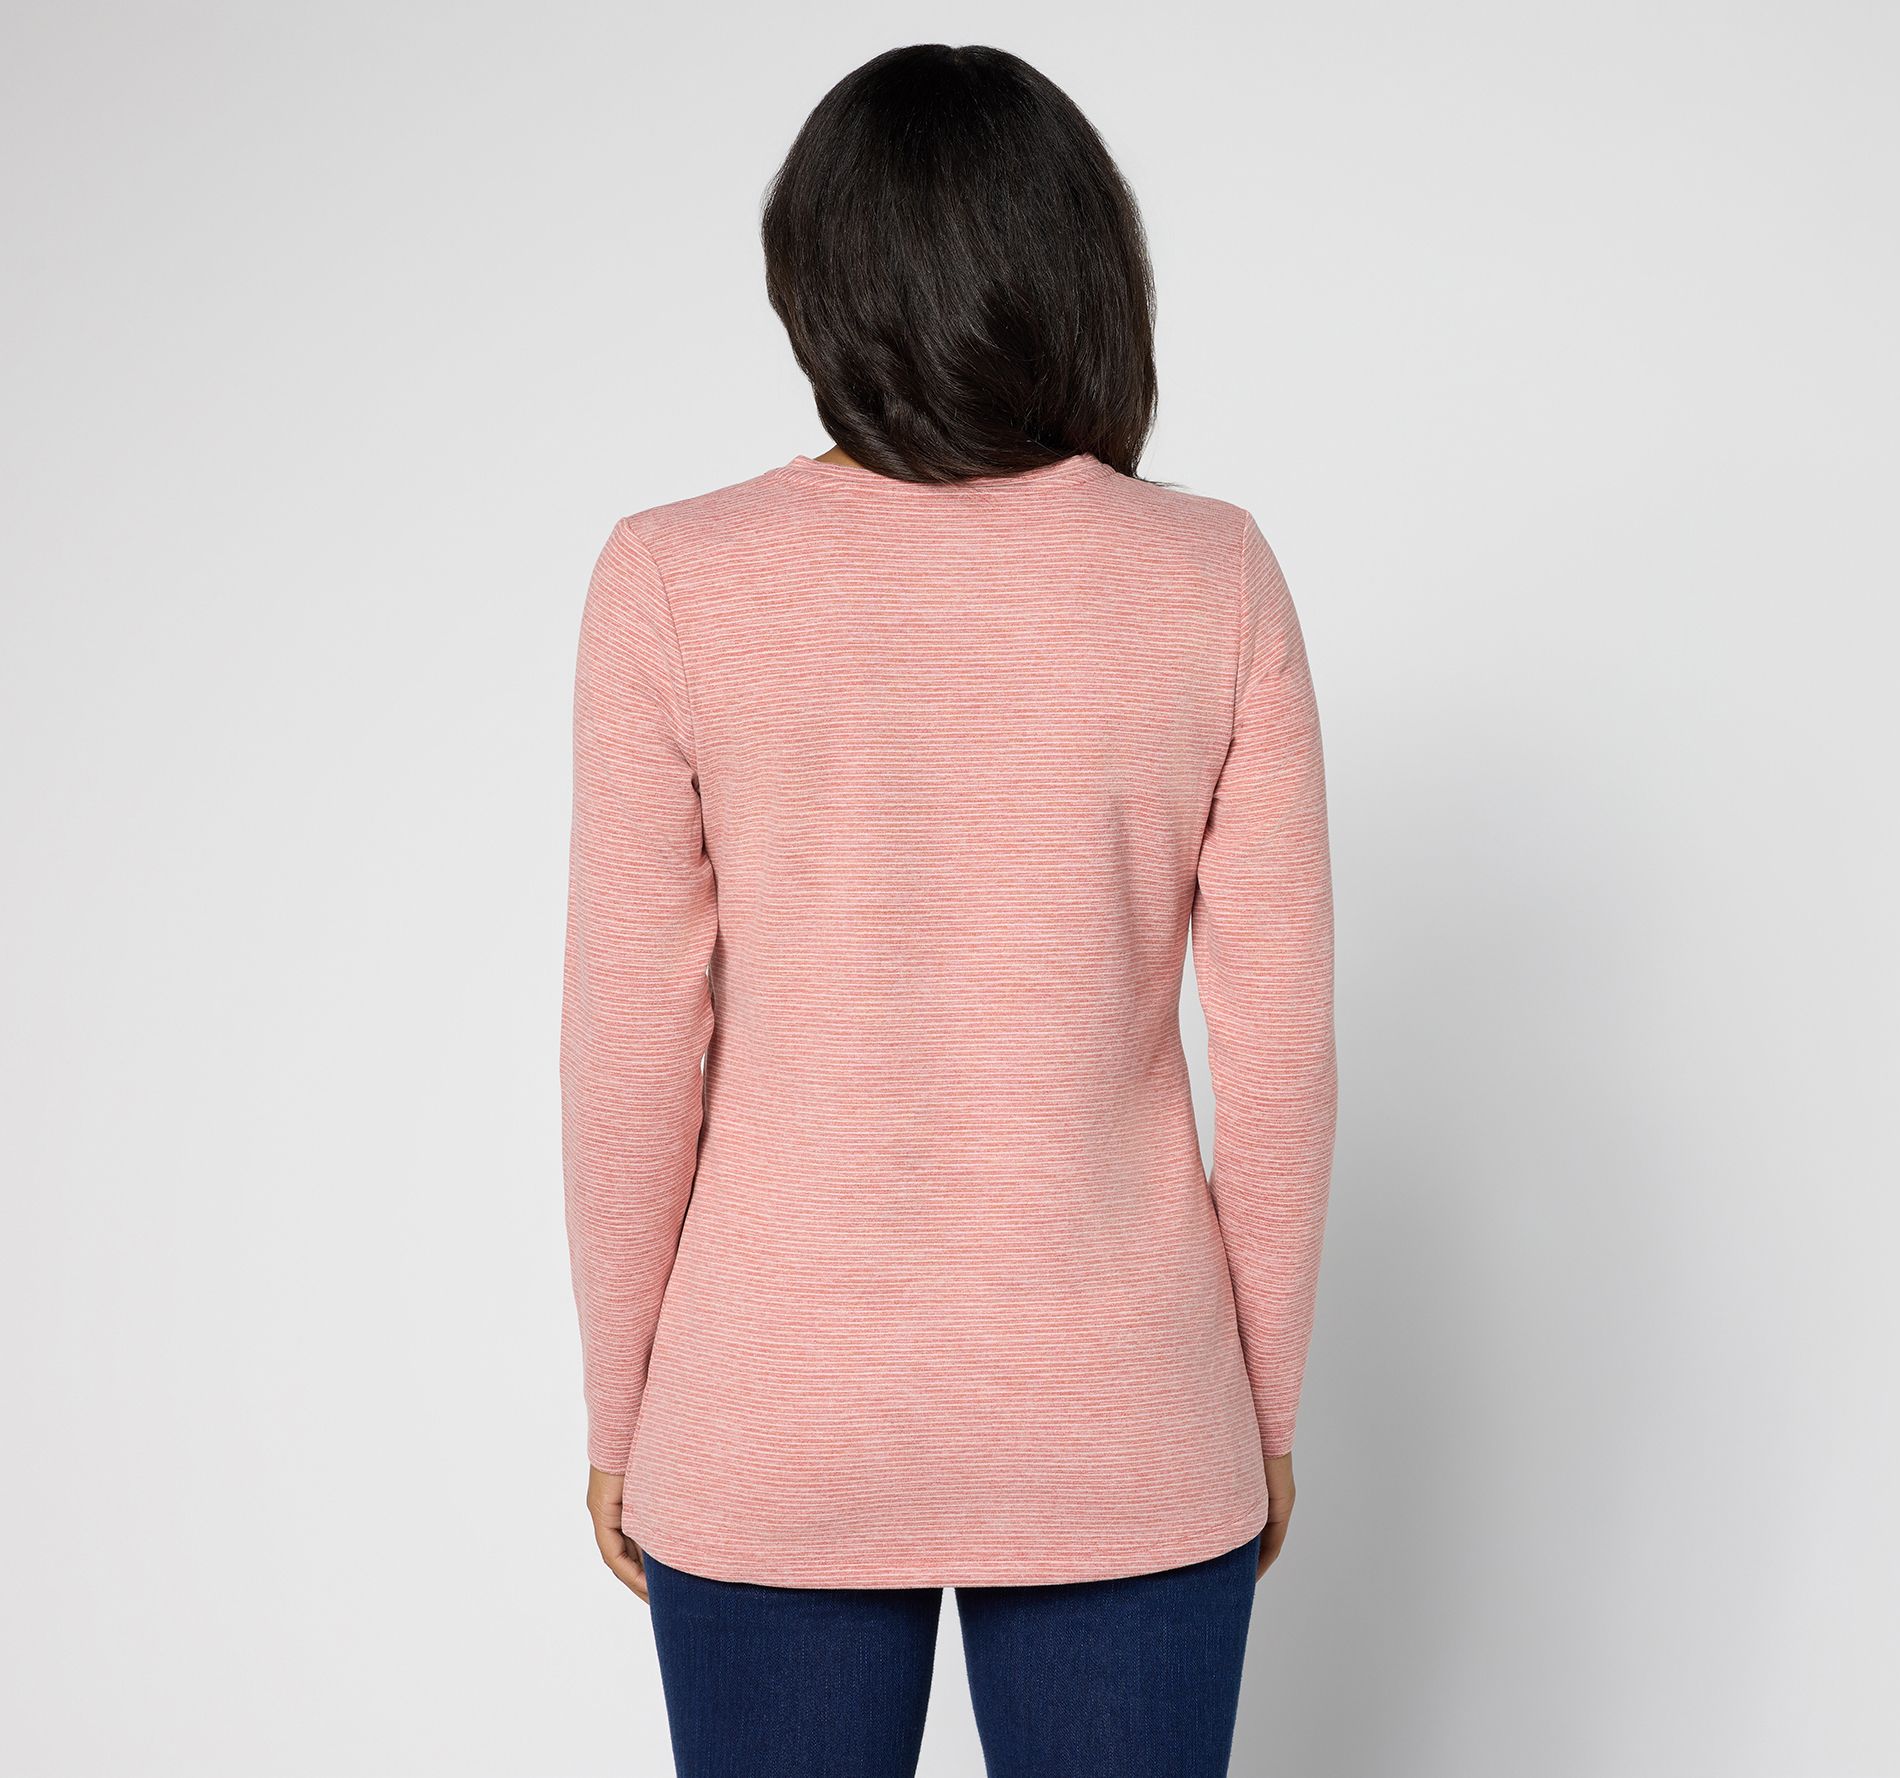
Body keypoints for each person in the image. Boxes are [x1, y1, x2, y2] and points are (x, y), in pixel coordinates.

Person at [561, 41, 1338, 1778]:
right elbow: (1280, 1059)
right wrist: (1265, 1402)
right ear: (1084, 270)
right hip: (1124, 1407)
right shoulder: (1209, 575)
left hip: (773, 1409)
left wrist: (624, 1406)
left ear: (815, 280)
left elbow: (631, 1048)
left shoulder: (674, 579)